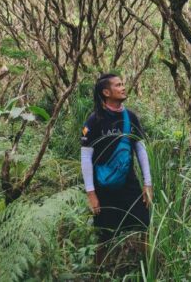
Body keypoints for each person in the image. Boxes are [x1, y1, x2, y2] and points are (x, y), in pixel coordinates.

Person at [80, 73, 152, 265]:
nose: (123, 87)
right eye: (118, 85)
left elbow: (140, 149)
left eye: (122, 84)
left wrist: (148, 183)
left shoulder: (131, 117)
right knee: (104, 235)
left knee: (145, 224)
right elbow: (86, 157)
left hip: (129, 184)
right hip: (103, 188)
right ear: (106, 92)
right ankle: (101, 272)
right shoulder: (94, 121)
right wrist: (91, 193)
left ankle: (148, 267)